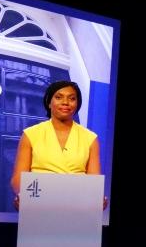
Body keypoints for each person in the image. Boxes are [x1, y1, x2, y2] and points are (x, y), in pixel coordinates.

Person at [10, 80, 107, 209]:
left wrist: (98, 199)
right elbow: (18, 179)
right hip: (39, 206)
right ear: (49, 102)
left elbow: (93, 182)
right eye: (59, 97)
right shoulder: (30, 134)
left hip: (77, 207)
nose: (65, 102)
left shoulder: (90, 138)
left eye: (72, 98)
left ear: (77, 104)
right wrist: (23, 196)